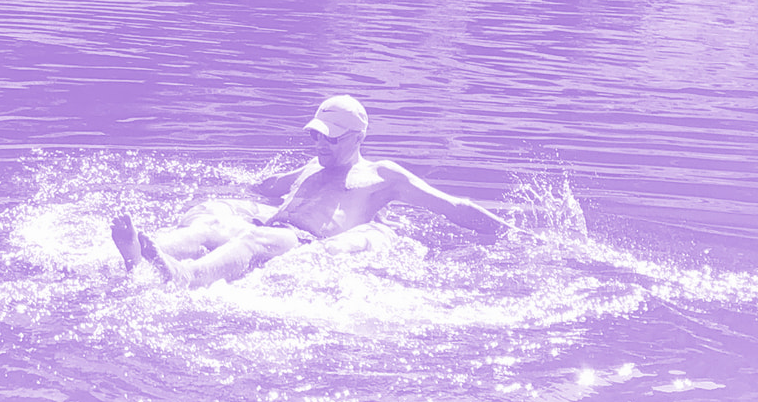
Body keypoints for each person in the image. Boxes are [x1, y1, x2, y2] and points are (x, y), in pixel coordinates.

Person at [110, 94, 512, 288]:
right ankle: (141, 255)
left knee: (253, 238)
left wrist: (513, 234)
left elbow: (452, 205)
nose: (321, 145)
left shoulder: (382, 176)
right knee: (211, 229)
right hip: (274, 225)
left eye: (331, 139)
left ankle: (183, 276)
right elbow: (262, 188)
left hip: (305, 243)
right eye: (317, 136)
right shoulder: (309, 166)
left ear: (358, 137)